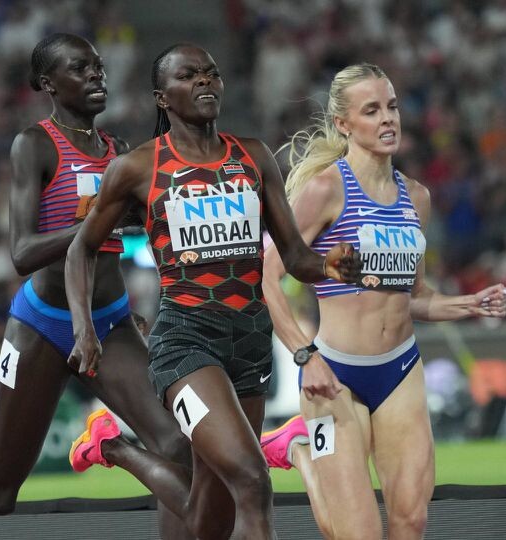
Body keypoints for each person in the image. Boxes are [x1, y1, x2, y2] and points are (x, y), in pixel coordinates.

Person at [0, 33, 191, 540]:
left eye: (98, 66)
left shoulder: (118, 151)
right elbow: (22, 252)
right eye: (80, 68)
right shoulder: (34, 145)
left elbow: (128, 234)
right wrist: (97, 222)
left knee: (177, 446)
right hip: (42, 327)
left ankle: (108, 448)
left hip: (110, 321)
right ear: (47, 83)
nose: (96, 74)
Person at [63, 44, 361, 540]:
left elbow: (295, 258)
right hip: (186, 342)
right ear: (162, 97)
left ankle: (113, 448)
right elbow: (81, 249)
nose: (204, 81)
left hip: (250, 340)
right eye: (189, 75)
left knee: (211, 516)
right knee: (252, 480)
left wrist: (330, 265)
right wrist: (83, 328)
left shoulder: (254, 156)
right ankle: (116, 448)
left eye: (211, 73)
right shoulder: (138, 168)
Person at [259, 64, 506, 540]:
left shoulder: (417, 198)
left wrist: (469, 304)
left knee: (411, 521)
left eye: (391, 107)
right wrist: (305, 356)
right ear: (344, 123)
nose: (388, 118)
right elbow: (267, 277)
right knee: (357, 534)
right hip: (335, 375)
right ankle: (298, 449)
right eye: (371, 110)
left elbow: (413, 297)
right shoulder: (325, 190)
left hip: (400, 369)